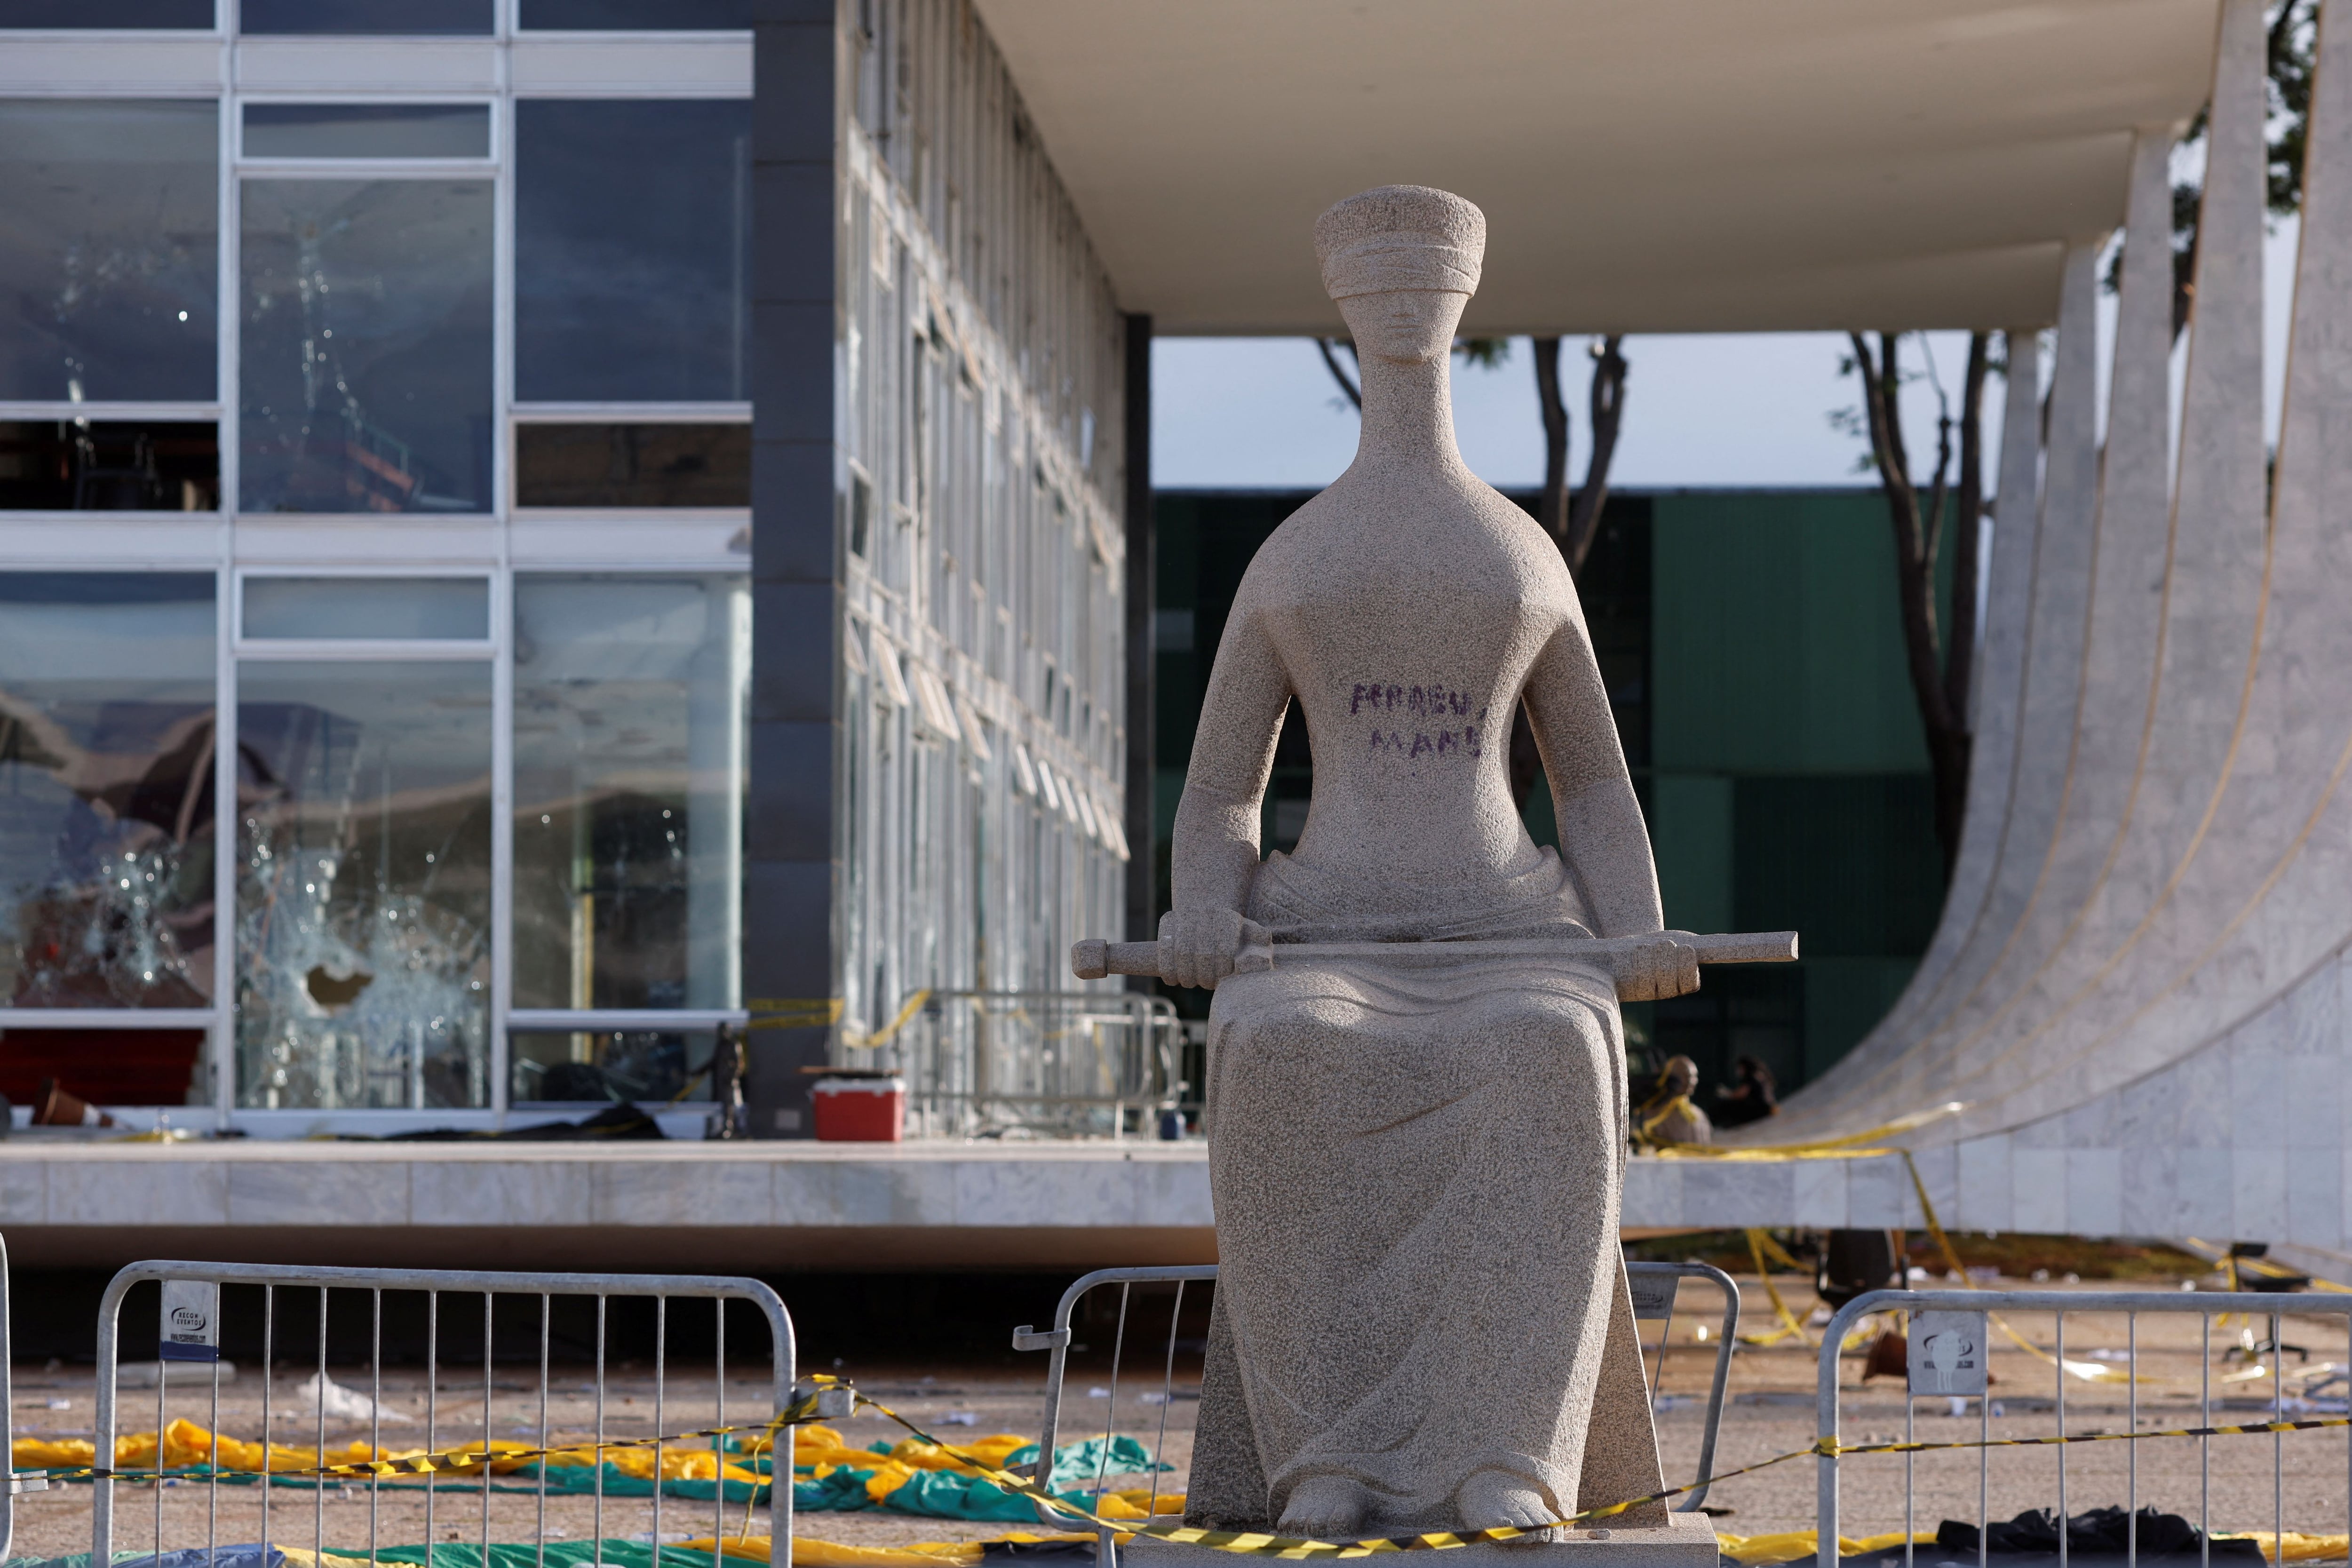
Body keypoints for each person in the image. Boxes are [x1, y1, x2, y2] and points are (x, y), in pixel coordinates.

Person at [1164, 184, 1699, 1542]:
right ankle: (1319, 1457)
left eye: (1426, 286)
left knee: (1551, 1054)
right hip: (1322, 927)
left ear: (1457, 307)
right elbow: (1225, 786)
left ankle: (1508, 1453)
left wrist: (1632, 922)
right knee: (1280, 1052)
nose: (1403, 306)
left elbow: (1589, 778)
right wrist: (1202, 907)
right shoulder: (1298, 557)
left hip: (1509, 922)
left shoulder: (1518, 554)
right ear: (1348, 308)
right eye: (1378, 287)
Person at [1632, 1054, 1712, 1147]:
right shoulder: (1652, 1113)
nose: (1691, 1081)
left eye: (1694, 1076)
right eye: (1684, 1075)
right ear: (1668, 1076)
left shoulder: (1698, 1114)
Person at [1711, 1053, 1779, 1129]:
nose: (1738, 1071)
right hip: (1766, 1109)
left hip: (1760, 1111)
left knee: (1726, 1105)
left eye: (1739, 1068)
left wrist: (1726, 1093)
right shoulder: (1759, 1075)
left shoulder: (1752, 1077)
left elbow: (1740, 1095)